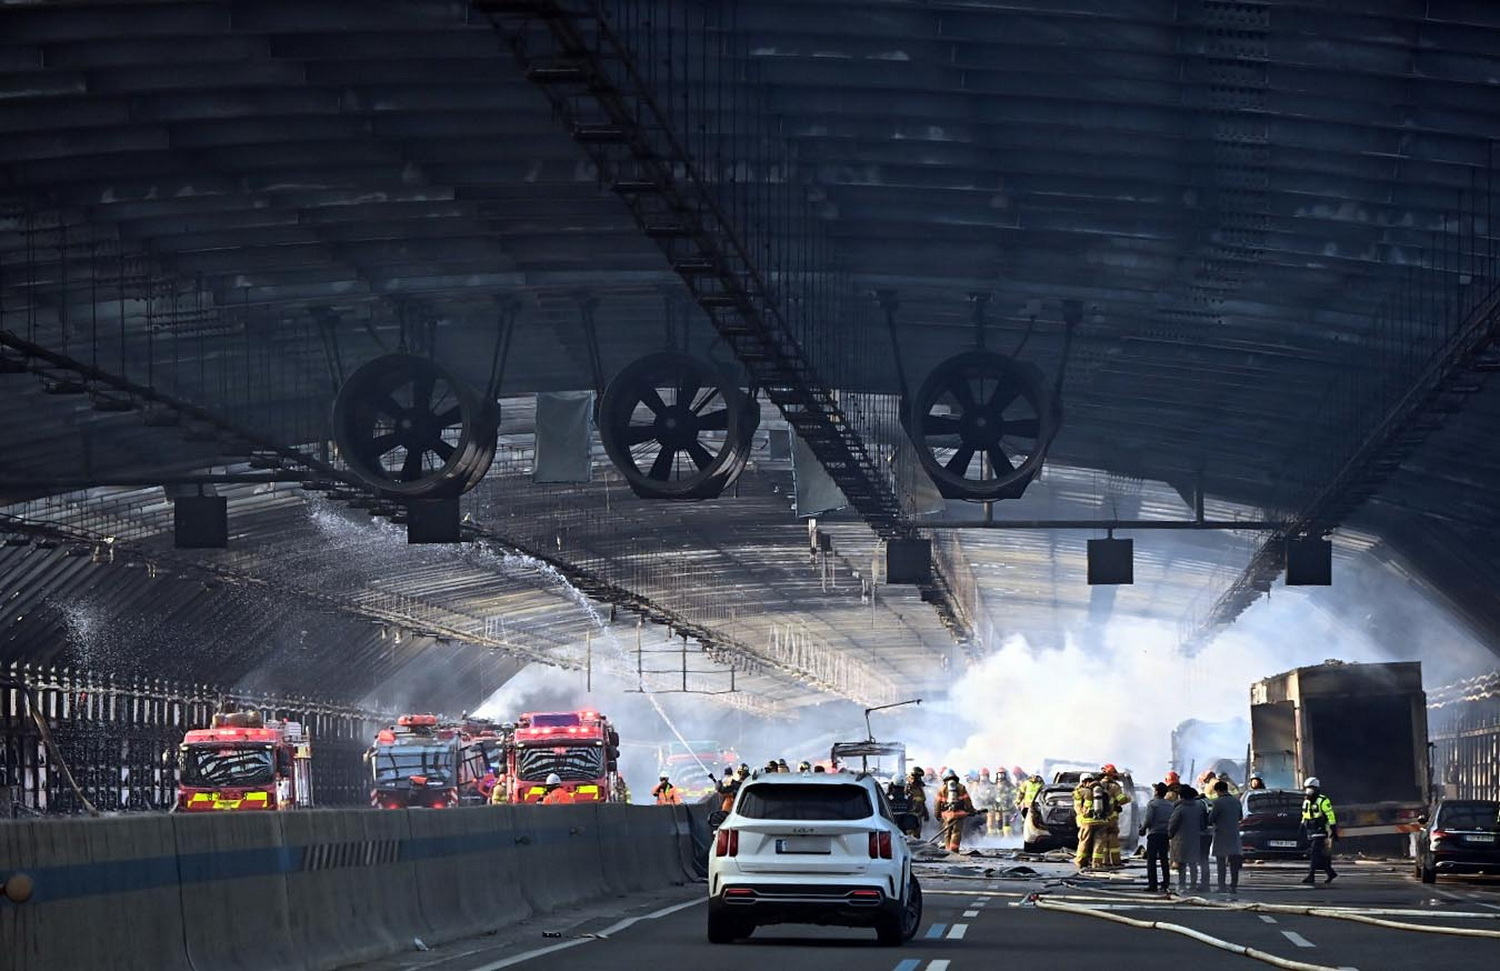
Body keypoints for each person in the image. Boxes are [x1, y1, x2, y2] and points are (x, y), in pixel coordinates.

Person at [1207, 779, 1245, 894]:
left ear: (1218, 790)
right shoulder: (1236, 801)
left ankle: (1221, 886)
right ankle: (1233, 886)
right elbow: (1240, 817)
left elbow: (1211, 819)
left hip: (1221, 835)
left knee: (1221, 863)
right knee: (1234, 863)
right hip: (1234, 834)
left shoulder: (1218, 803)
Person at [1168, 784, 1207, 892]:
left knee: (1182, 864)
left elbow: (1173, 824)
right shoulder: (1198, 808)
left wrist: (1170, 834)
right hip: (1195, 839)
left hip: (1181, 840)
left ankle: (1182, 885)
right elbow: (1203, 824)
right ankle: (1193, 885)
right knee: (1193, 863)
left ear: (1182, 796)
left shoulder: (1179, 809)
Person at [1300, 777, 1338, 885]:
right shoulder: (1306, 801)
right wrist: (1302, 826)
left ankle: (1311, 876)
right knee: (1320, 855)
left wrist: (1333, 828)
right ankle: (1330, 872)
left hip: (1321, 830)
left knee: (1314, 853)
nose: (1308, 792)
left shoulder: (1323, 800)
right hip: (1310, 830)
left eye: (1310, 789)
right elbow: (1304, 814)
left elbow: (1330, 815)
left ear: (1316, 789)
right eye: (1307, 789)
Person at [1139, 782, 1173, 892]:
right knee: (1164, 860)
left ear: (1157, 792)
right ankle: (1165, 883)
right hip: (1165, 834)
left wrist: (1143, 829)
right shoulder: (1170, 805)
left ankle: (1152, 884)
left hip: (1154, 834)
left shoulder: (1153, 804)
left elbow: (1149, 819)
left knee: (1151, 860)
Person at [1073, 773, 1110, 871]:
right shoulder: (1103, 791)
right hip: (1102, 821)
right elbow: (1109, 806)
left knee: (1084, 842)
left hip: (1087, 822)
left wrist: (1078, 787)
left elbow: (1075, 799)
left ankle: (1080, 862)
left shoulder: (1083, 791)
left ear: (1083, 781)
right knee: (1099, 843)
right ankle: (1096, 864)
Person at [935, 769, 975, 853]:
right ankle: (954, 850)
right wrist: (971, 811)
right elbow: (967, 801)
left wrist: (937, 814)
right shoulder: (961, 787)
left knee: (947, 833)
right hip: (959, 814)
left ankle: (947, 849)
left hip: (946, 815)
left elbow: (937, 803)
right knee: (956, 832)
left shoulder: (942, 789)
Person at [1101, 763, 1131, 867]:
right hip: (1112, 817)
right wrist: (1129, 798)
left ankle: (1104, 861)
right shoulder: (1114, 786)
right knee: (1113, 840)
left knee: (1103, 840)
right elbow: (1121, 800)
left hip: (1101, 818)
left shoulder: (1098, 785)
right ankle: (1116, 861)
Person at [905, 766, 930, 838]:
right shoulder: (906, 787)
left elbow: (922, 802)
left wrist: (926, 813)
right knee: (909, 835)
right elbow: (905, 799)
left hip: (918, 814)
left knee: (917, 835)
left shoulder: (919, 787)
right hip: (910, 815)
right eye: (917, 777)